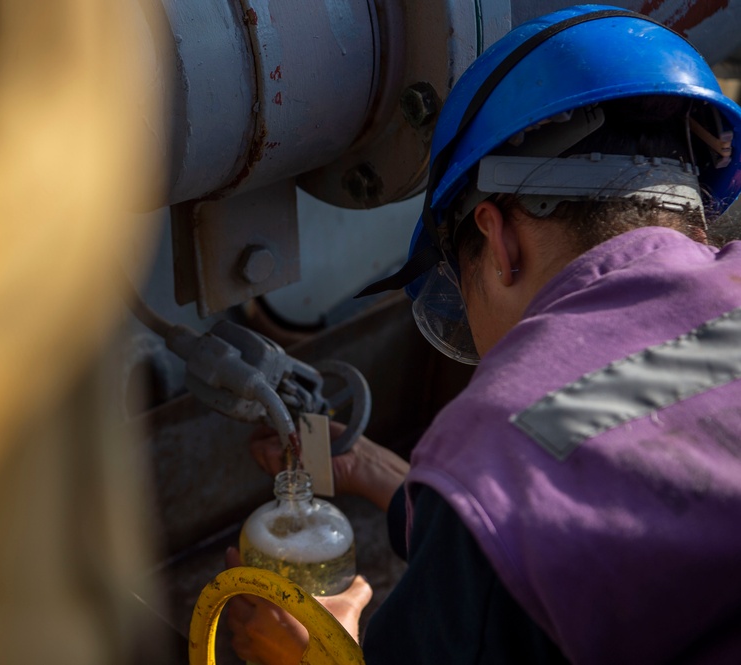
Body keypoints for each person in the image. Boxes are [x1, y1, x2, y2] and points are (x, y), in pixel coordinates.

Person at [224, 5, 741, 663]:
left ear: (495, 240)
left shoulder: (499, 437)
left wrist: (318, 651)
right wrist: (391, 477)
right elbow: (623, 477)